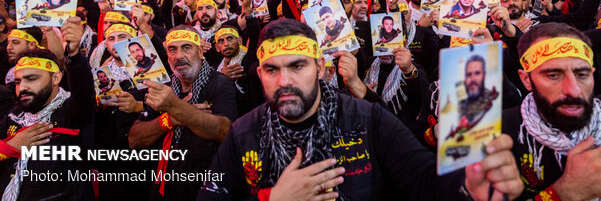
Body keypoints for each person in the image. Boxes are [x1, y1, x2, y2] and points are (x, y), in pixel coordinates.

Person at [198, 19, 523, 200]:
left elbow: (424, 179)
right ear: (259, 74)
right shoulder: (243, 134)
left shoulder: (367, 118)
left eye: (298, 66)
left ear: (321, 66)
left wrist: (468, 184)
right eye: (272, 70)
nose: (285, 81)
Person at [503, 22, 601, 200]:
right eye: (553, 75)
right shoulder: (499, 136)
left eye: (582, 75)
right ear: (526, 80)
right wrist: (564, 192)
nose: (573, 90)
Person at [128, 26, 237, 201]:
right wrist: (170, 119)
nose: (178, 56)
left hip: (206, 186)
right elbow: (134, 139)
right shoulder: (164, 87)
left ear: (201, 51)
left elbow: (224, 131)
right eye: (172, 49)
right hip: (165, 184)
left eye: (186, 47)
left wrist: (175, 107)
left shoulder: (221, 83)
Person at [0, 17, 96, 200]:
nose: (22, 88)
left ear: (56, 79)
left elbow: (83, 90)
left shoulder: (72, 111)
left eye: (32, 78)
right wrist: (10, 147)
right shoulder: (14, 115)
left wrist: (74, 54)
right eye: (18, 81)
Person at [458, 55, 498, 125]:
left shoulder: (495, 99)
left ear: (484, 75)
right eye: (469, 74)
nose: (473, 79)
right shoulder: (459, 107)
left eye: (477, 73)